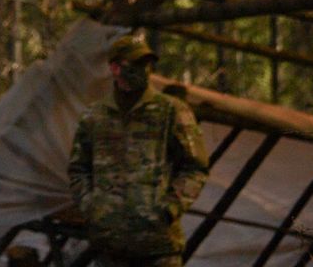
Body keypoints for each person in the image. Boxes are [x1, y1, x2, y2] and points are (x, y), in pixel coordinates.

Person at [68, 35, 209, 267]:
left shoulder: (171, 111)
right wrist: (92, 206)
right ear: (115, 68)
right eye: (133, 64)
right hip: (110, 246)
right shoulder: (95, 116)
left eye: (145, 64)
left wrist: (169, 208)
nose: (142, 70)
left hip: (158, 246)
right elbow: (78, 168)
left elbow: (195, 167)